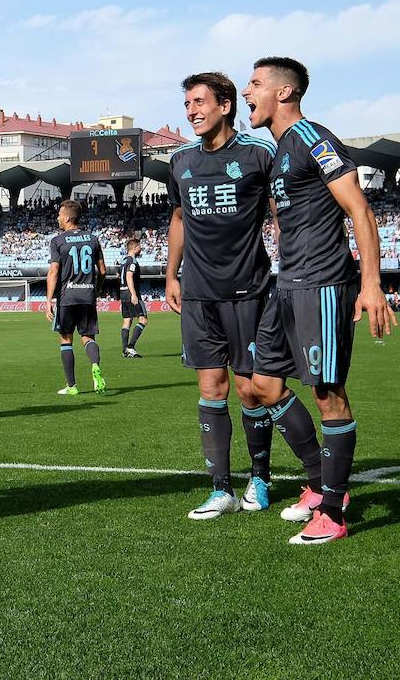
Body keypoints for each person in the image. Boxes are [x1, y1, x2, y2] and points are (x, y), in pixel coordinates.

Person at [241, 56, 393, 545]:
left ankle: (333, 511)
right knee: (262, 382)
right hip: (288, 285)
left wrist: (370, 284)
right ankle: (318, 481)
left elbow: (359, 210)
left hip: (323, 285)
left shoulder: (313, 138)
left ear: (283, 93)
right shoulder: (280, 148)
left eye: (255, 83)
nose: (247, 92)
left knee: (328, 395)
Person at [165, 71, 277, 519]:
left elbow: (279, 211)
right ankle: (220, 489)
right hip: (198, 293)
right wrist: (172, 275)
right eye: (187, 104)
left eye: (199, 102)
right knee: (212, 387)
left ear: (225, 105)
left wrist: (291, 266)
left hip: (250, 290)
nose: (192, 111)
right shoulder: (179, 160)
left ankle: (260, 479)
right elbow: (178, 218)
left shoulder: (258, 153)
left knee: (252, 391)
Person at [48, 200, 106, 395]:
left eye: (59, 215)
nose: (57, 218)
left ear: (66, 217)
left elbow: (54, 271)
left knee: (66, 340)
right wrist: (97, 289)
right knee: (88, 337)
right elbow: (103, 271)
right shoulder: (93, 239)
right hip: (88, 295)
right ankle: (95, 366)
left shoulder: (58, 241)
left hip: (67, 297)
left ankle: (72, 386)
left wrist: (48, 300)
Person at [119, 237, 149, 358]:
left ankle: (124, 349)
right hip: (130, 293)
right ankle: (130, 347)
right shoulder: (132, 261)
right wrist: (134, 294)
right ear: (135, 248)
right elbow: (129, 277)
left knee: (127, 321)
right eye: (140, 247)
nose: (141, 249)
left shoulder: (123, 260)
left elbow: (120, 276)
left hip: (123, 293)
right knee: (143, 320)